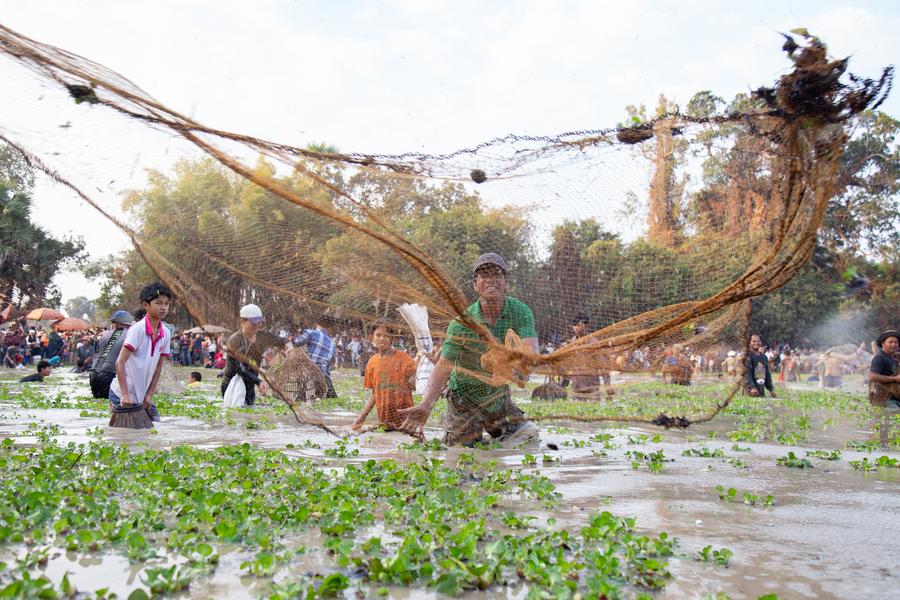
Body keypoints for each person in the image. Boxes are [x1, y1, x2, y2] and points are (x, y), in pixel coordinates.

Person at [399, 252, 540, 446]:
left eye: (496, 274)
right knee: (462, 451)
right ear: (476, 284)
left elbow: (530, 348)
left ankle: (494, 433)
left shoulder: (520, 311)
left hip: (497, 397)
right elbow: (444, 366)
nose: (491, 280)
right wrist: (426, 404)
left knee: (528, 436)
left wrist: (524, 365)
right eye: (484, 275)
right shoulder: (462, 323)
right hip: (463, 399)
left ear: (505, 281)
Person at [108, 282, 174, 423]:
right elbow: (120, 361)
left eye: (166, 304)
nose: (164, 307)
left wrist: (149, 395)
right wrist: (125, 394)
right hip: (121, 393)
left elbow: (159, 366)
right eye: (159, 303)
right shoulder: (138, 330)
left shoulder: (166, 333)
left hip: (143, 396)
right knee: (126, 434)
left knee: (156, 427)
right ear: (146, 305)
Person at [352, 322, 417, 431]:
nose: (382, 338)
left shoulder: (405, 358)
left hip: (405, 419)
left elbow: (414, 386)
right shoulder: (372, 362)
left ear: (392, 339)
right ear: (372, 337)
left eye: (386, 336)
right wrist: (362, 417)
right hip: (384, 418)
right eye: (378, 335)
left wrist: (415, 374)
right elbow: (375, 393)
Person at [221, 304, 280, 406]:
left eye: (259, 323)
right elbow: (240, 369)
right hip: (233, 385)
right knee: (234, 413)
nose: (256, 326)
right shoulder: (234, 340)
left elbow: (279, 342)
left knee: (249, 412)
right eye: (253, 323)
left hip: (250, 386)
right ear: (242, 321)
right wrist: (258, 381)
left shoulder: (259, 338)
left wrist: (288, 348)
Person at [89, 310, 135, 399]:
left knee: (97, 405)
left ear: (116, 323)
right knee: (111, 405)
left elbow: (97, 354)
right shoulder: (130, 334)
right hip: (110, 374)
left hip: (93, 374)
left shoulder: (104, 335)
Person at [567, 314, 613, 398]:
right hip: (576, 385)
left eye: (578, 325)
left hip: (591, 385)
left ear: (586, 325)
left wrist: (607, 385)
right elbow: (569, 364)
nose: (576, 328)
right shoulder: (572, 342)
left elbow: (602, 364)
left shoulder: (593, 342)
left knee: (593, 405)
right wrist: (563, 383)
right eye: (574, 325)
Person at [294, 320, 337, 397]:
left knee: (303, 379)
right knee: (328, 392)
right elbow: (331, 361)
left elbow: (298, 342)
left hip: (310, 369)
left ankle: (301, 396)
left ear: (316, 324)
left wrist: (293, 338)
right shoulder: (332, 343)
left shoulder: (311, 332)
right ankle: (330, 394)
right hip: (323, 373)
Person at [868, 329, 900, 409]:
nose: (894, 344)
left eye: (896, 342)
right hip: (884, 399)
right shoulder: (880, 357)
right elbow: (872, 376)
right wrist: (895, 378)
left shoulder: (895, 358)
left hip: (895, 397)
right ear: (883, 344)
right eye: (890, 342)